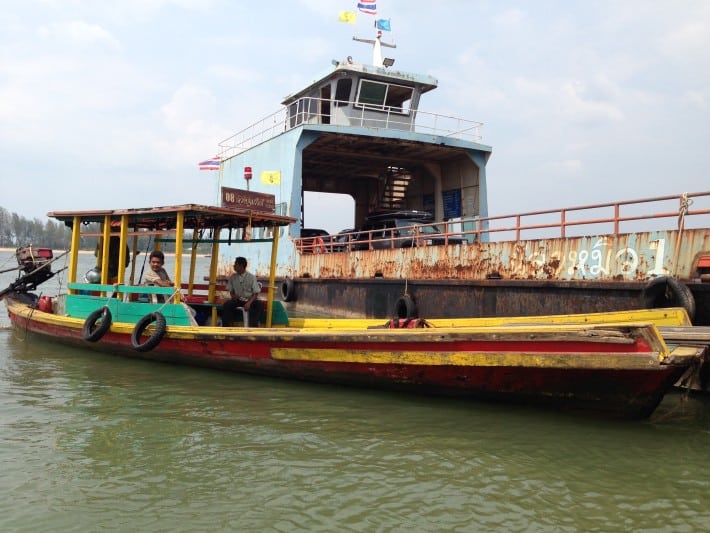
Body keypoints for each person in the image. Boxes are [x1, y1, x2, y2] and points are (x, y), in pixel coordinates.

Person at [222, 256, 263, 327]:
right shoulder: (233, 277)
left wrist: (249, 303)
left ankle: (254, 326)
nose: (234, 266)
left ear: (241, 266)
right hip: (238, 300)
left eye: (235, 265)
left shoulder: (251, 277)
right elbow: (231, 291)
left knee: (259, 304)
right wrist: (233, 297)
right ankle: (227, 326)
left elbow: (255, 293)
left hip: (250, 300)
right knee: (227, 304)